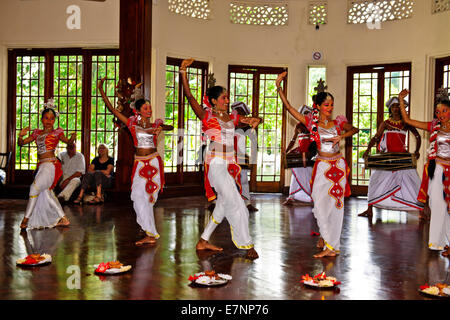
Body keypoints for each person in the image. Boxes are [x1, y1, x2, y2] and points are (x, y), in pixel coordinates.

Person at [180, 58, 262, 260]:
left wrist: (254, 120)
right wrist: (183, 72)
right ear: (214, 100)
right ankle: (246, 243)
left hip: (230, 163)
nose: (227, 100)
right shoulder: (206, 115)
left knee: (223, 205)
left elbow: (251, 120)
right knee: (237, 202)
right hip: (216, 164)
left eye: (227, 97)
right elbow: (190, 96)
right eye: (224, 98)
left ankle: (203, 240)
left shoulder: (232, 116)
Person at [276, 71, 359, 258]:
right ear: (319, 107)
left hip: (337, 165)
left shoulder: (338, 122)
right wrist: (279, 87)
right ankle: (326, 239)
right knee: (319, 204)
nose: (330, 108)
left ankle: (331, 246)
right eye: (326, 105)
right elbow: (289, 108)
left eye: (331, 104)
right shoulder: (310, 123)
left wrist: (342, 136)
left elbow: (354, 129)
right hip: (322, 165)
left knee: (337, 205)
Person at [97, 77, 173, 246]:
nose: (149, 110)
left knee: (149, 198)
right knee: (137, 196)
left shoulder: (156, 123)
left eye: (150, 107)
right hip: (139, 163)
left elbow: (170, 126)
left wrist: (161, 128)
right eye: (145, 108)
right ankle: (149, 231)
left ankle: (150, 233)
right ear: (138, 110)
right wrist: (101, 90)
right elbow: (112, 110)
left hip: (153, 162)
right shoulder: (131, 123)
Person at [397, 88, 450, 258]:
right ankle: (438, 243)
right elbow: (407, 120)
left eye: (444, 111)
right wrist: (400, 100)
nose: (441, 114)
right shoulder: (434, 126)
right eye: (438, 112)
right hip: (438, 169)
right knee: (436, 205)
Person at [358, 97, 423, 219]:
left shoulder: (406, 124)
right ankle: (370, 209)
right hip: (386, 158)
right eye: (393, 106)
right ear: (390, 109)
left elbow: (418, 136)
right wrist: (367, 149)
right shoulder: (386, 123)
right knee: (374, 180)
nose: (396, 109)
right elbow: (377, 137)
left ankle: (422, 211)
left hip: (402, 158)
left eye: (398, 106)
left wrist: (417, 151)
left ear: (402, 108)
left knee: (413, 182)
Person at [18, 99, 75, 230]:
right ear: (42, 119)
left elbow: (69, 143)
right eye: (46, 118)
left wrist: (72, 138)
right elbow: (21, 144)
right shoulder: (37, 133)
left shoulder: (57, 133)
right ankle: (63, 218)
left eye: (51, 119)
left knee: (34, 189)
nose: (49, 121)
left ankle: (26, 219)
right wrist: (20, 136)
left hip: (50, 166)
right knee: (45, 193)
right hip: (41, 166)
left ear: (54, 120)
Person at [283, 105, 316, 206]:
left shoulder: (314, 126)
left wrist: (313, 153)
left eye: (307, 114)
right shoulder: (298, 126)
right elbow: (293, 140)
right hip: (299, 153)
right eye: (304, 114)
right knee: (296, 175)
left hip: (309, 154)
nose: (306, 116)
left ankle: (312, 196)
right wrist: (287, 150)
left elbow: (316, 141)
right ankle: (291, 197)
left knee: (309, 174)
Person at [232, 101, 259, 212]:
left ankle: (247, 203)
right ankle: (223, 203)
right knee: (227, 180)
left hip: (241, 156)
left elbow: (253, 138)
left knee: (243, 179)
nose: (239, 114)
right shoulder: (228, 123)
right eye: (237, 111)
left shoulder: (246, 126)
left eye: (241, 112)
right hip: (228, 155)